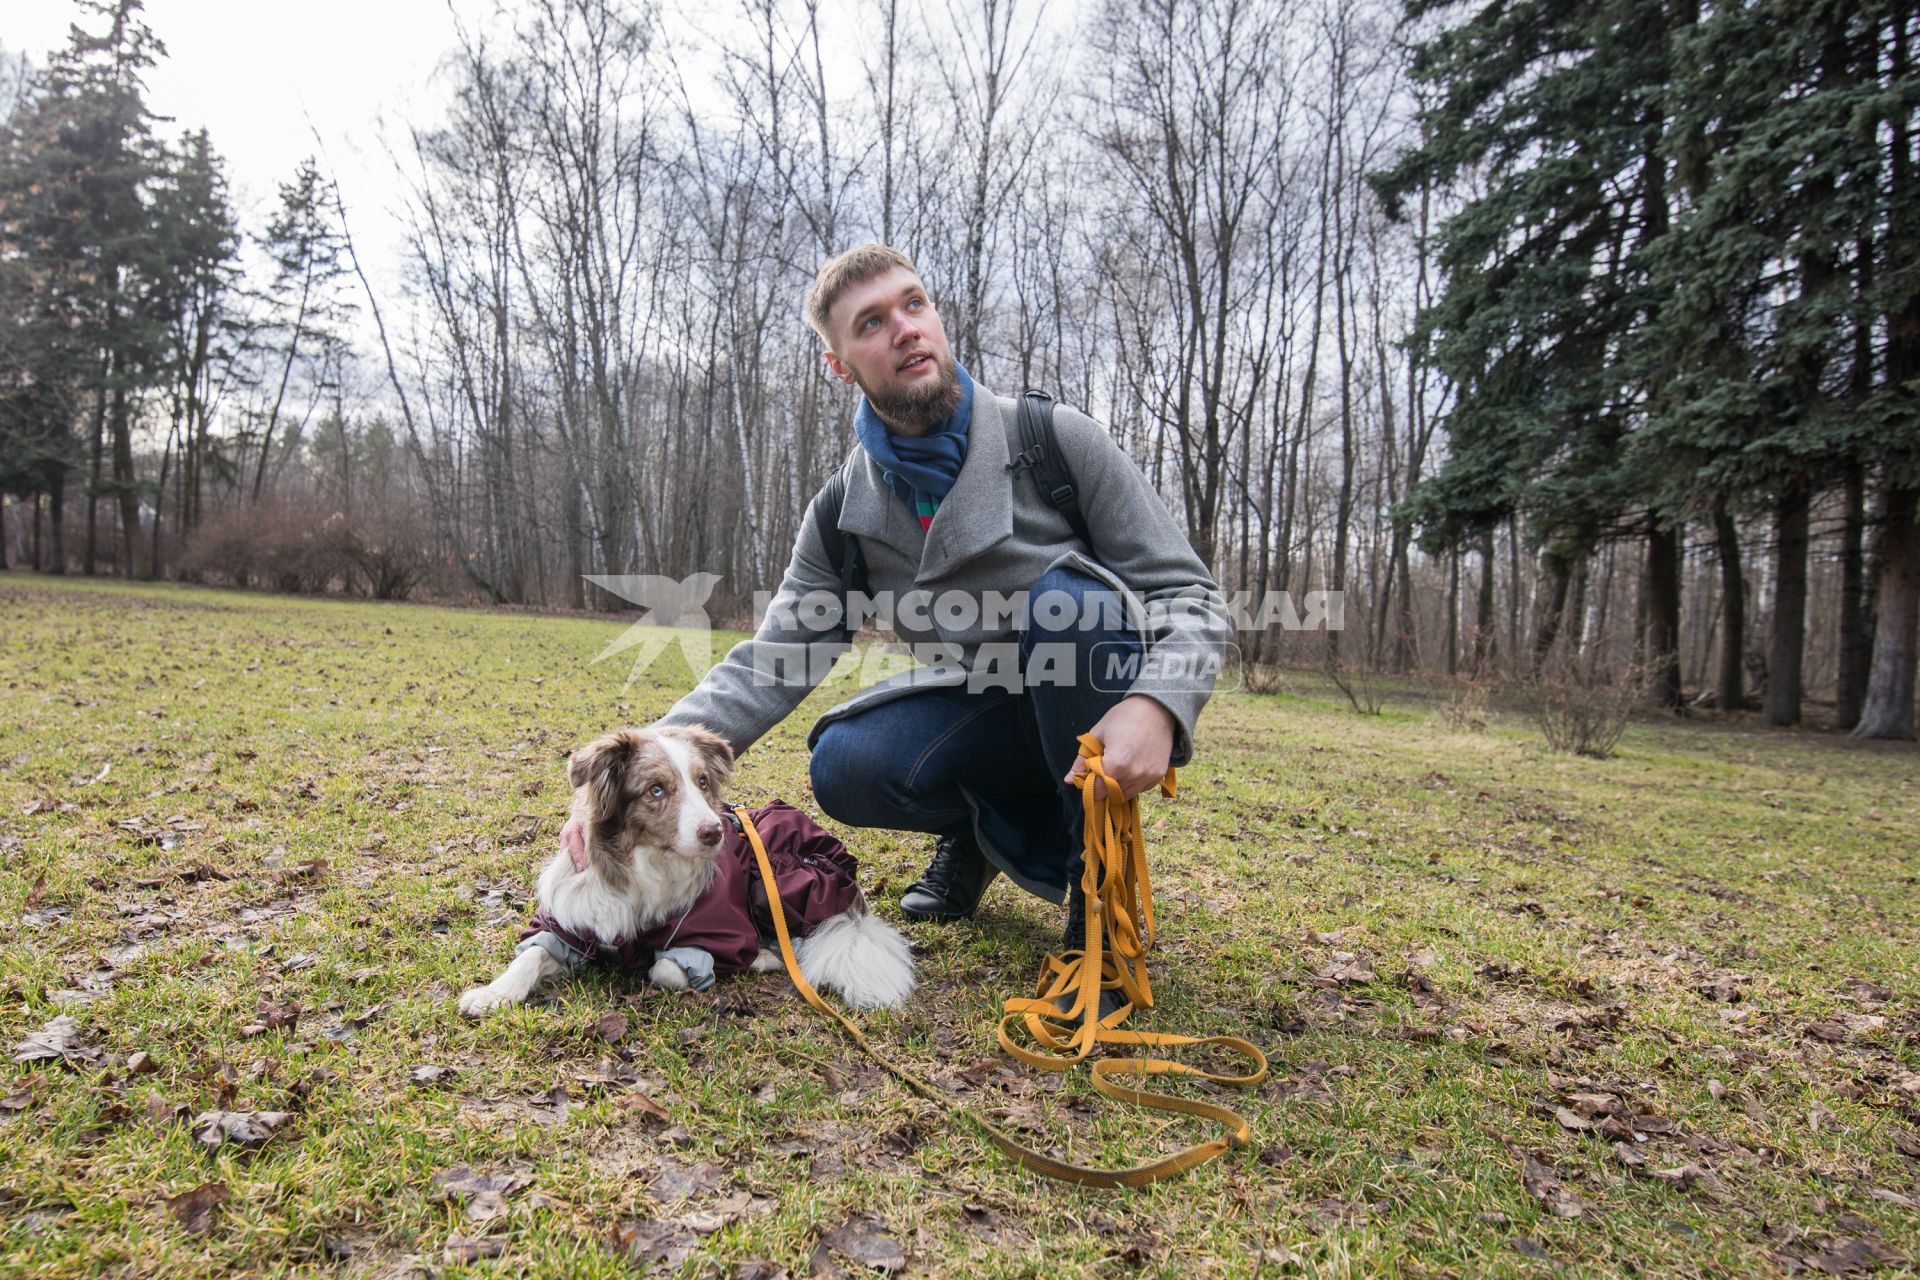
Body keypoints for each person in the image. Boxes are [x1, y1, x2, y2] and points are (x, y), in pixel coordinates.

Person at [562, 244, 1228, 951]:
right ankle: (979, 836)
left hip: (1090, 700)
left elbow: (1187, 593)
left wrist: (1158, 703)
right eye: (872, 322)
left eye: (915, 304)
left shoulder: (1054, 441)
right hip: (986, 711)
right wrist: (643, 761)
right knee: (846, 763)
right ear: (840, 365)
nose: (906, 328)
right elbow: (777, 656)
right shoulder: (842, 513)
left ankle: (1102, 903)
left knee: (1072, 604)